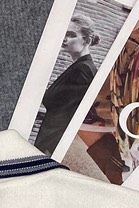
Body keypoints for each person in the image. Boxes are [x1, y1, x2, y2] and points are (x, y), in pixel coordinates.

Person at [34, 14, 101, 156]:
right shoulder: (80, 66)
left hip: (50, 144)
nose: (65, 39)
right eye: (64, 34)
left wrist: (48, 150)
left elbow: (66, 118)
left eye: (71, 35)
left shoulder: (83, 70)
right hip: (48, 140)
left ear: (87, 40)